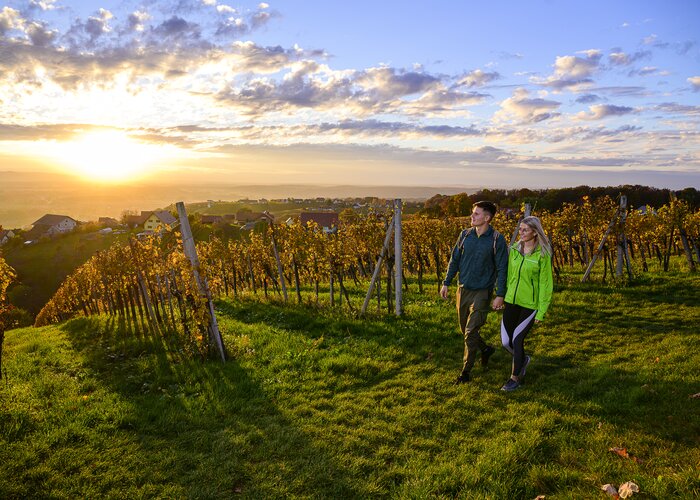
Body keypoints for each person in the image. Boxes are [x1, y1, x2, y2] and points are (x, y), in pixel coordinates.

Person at [440, 201, 508, 384]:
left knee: (470, 333)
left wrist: (500, 294)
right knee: (465, 330)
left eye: (476, 214)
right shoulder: (464, 235)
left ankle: (465, 373)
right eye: (472, 213)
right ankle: (485, 349)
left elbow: (502, 268)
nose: (472, 217)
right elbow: (454, 260)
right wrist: (446, 282)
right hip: (463, 289)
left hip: (482, 292)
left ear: (487, 218)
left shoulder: (496, 239)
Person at [498, 216, 553, 391]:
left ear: (535, 232)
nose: (520, 233)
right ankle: (523, 359)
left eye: (525, 230)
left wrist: (541, 311)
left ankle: (515, 378)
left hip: (530, 305)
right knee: (506, 342)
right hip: (511, 301)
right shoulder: (514, 250)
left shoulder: (542, 255)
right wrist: (501, 295)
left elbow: (546, 284)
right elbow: (508, 275)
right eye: (520, 229)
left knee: (517, 339)